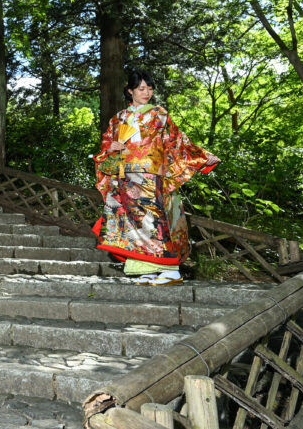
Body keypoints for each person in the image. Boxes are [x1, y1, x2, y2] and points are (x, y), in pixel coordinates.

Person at [93, 69, 219, 286]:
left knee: (154, 219)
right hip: (124, 175)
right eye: (141, 88)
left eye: (150, 88)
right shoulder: (119, 118)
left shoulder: (159, 114)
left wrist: (201, 156)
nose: (147, 92)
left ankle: (170, 268)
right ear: (130, 90)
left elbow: (177, 141)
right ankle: (147, 269)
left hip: (150, 175)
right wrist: (111, 146)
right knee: (132, 223)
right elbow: (106, 145)